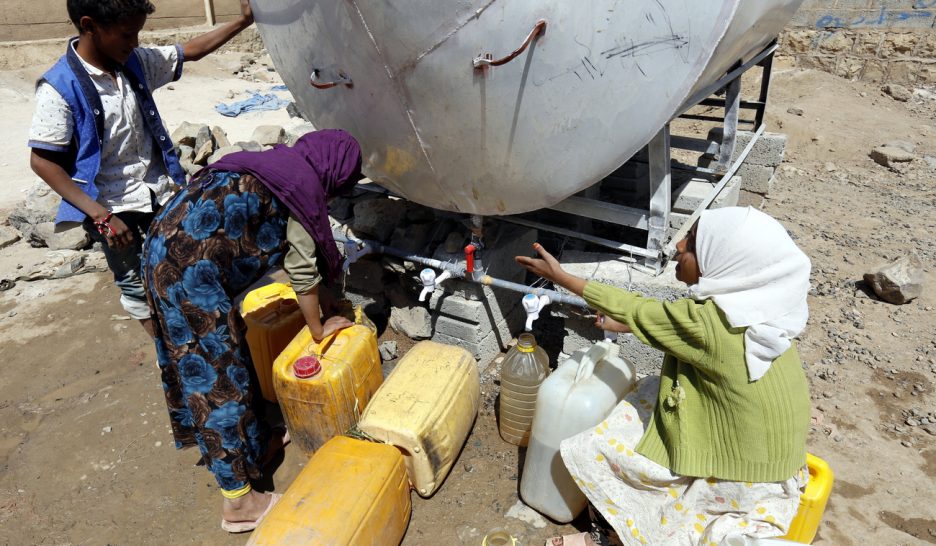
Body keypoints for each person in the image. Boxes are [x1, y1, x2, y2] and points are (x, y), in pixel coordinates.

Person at [516, 207, 812, 546]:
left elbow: (652, 313)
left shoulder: (709, 324)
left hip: (742, 469)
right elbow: (681, 326)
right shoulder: (757, 307)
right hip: (774, 452)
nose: (679, 246)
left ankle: (613, 535)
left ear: (723, 261)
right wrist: (629, 324)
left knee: (595, 446)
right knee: (652, 390)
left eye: (694, 244)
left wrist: (563, 277)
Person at [141, 129, 360, 533]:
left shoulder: (280, 165)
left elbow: (250, 235)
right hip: (187, 270)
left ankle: (255, 448)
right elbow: (300, 267)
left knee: (228, 358)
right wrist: (318, 326)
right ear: (335, 171)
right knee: (216, 379)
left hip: (164, 245)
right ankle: (240, 505)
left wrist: (320, 295)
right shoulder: (302, 185)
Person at [28, 0, 255, 337]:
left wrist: (243, 21)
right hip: (112, 211)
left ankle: (207, 339)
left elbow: (189, 51)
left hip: (159, 194)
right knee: (138, 288)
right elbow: (42, 160)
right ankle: (171, 354)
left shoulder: (133, 63)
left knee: (189, 267)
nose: (134, 42)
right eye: (126, 34)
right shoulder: (60, 88)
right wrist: (100, 216)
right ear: (89, 26)